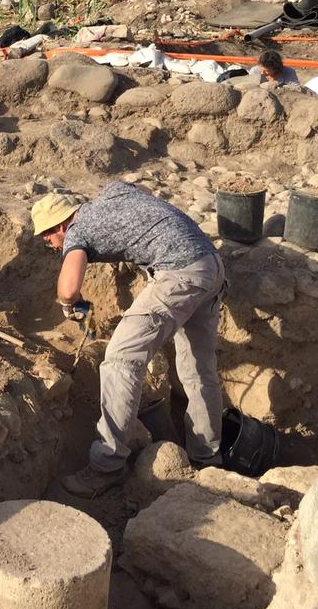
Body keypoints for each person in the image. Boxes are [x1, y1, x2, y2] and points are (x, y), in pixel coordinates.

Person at [31, 186, 226, 498]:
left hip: (177, 272)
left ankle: (106, 466)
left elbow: (68, 290)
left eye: (48, 236)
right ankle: (207, 460)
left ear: (61, 225)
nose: (49, 244)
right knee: (198, 370)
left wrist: (71, 305)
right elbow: (144, 199)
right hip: (210, 265)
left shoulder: (77, 231)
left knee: (121, 360)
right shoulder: (111, 194)